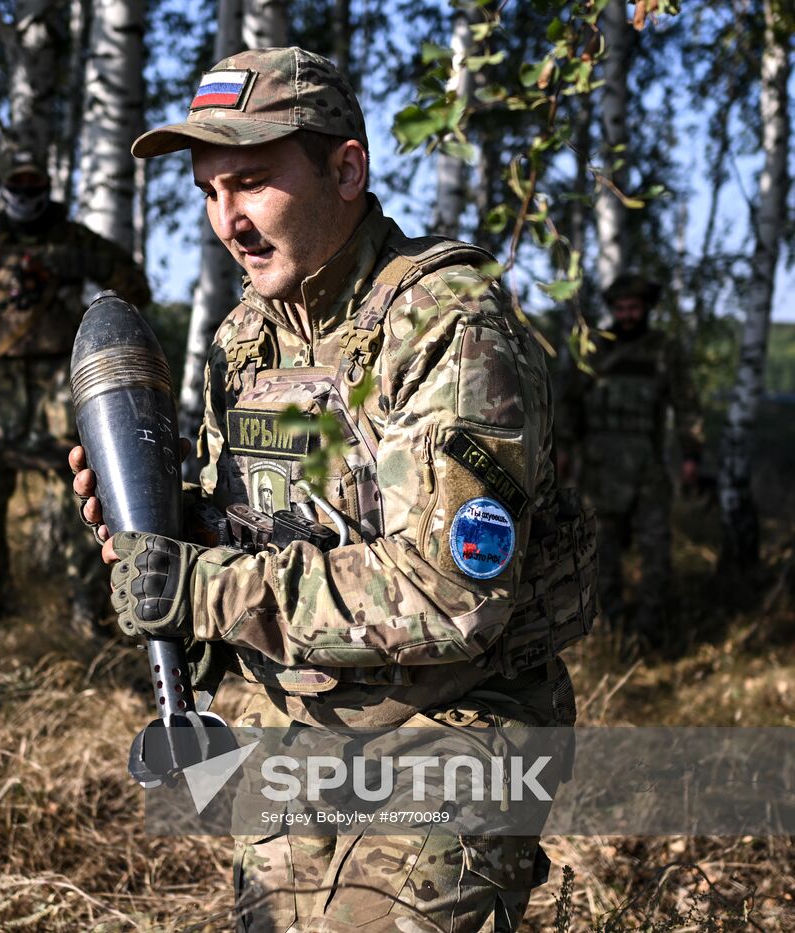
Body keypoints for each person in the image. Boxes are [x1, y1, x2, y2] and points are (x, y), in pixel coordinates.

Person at [70, 48, 596, 931]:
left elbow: (452, 593)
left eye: (250, 183)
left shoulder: (447, 324)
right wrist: (163, 533)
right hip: (310, 725)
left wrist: (202, 589)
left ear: (346, 169)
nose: (226, 220)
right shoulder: (244, 342)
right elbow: (249, 533)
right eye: (207, 192)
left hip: (463, 714)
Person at [0, 146, 151, 633]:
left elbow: (135, 285)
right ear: (3, 185)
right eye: (18, 184)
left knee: (86, 496)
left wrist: (71, 265)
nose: (26, 195)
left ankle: (88, 610)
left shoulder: (70, 237)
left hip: (58, 385)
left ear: (46, 187)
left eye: (34, 185)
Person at [558, 273, 703, 641]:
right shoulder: (594, 349)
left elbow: (686, 406)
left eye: (633, 308)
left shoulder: (664, 350)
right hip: (599, 468)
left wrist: (691, 455)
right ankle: (608, 626)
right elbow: (569, 404)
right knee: (599, 552)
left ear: (646, 309)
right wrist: (562, 449)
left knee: (655, 549)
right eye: (620, 308)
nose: (626, 315)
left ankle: (650, 630)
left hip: (647, 469)